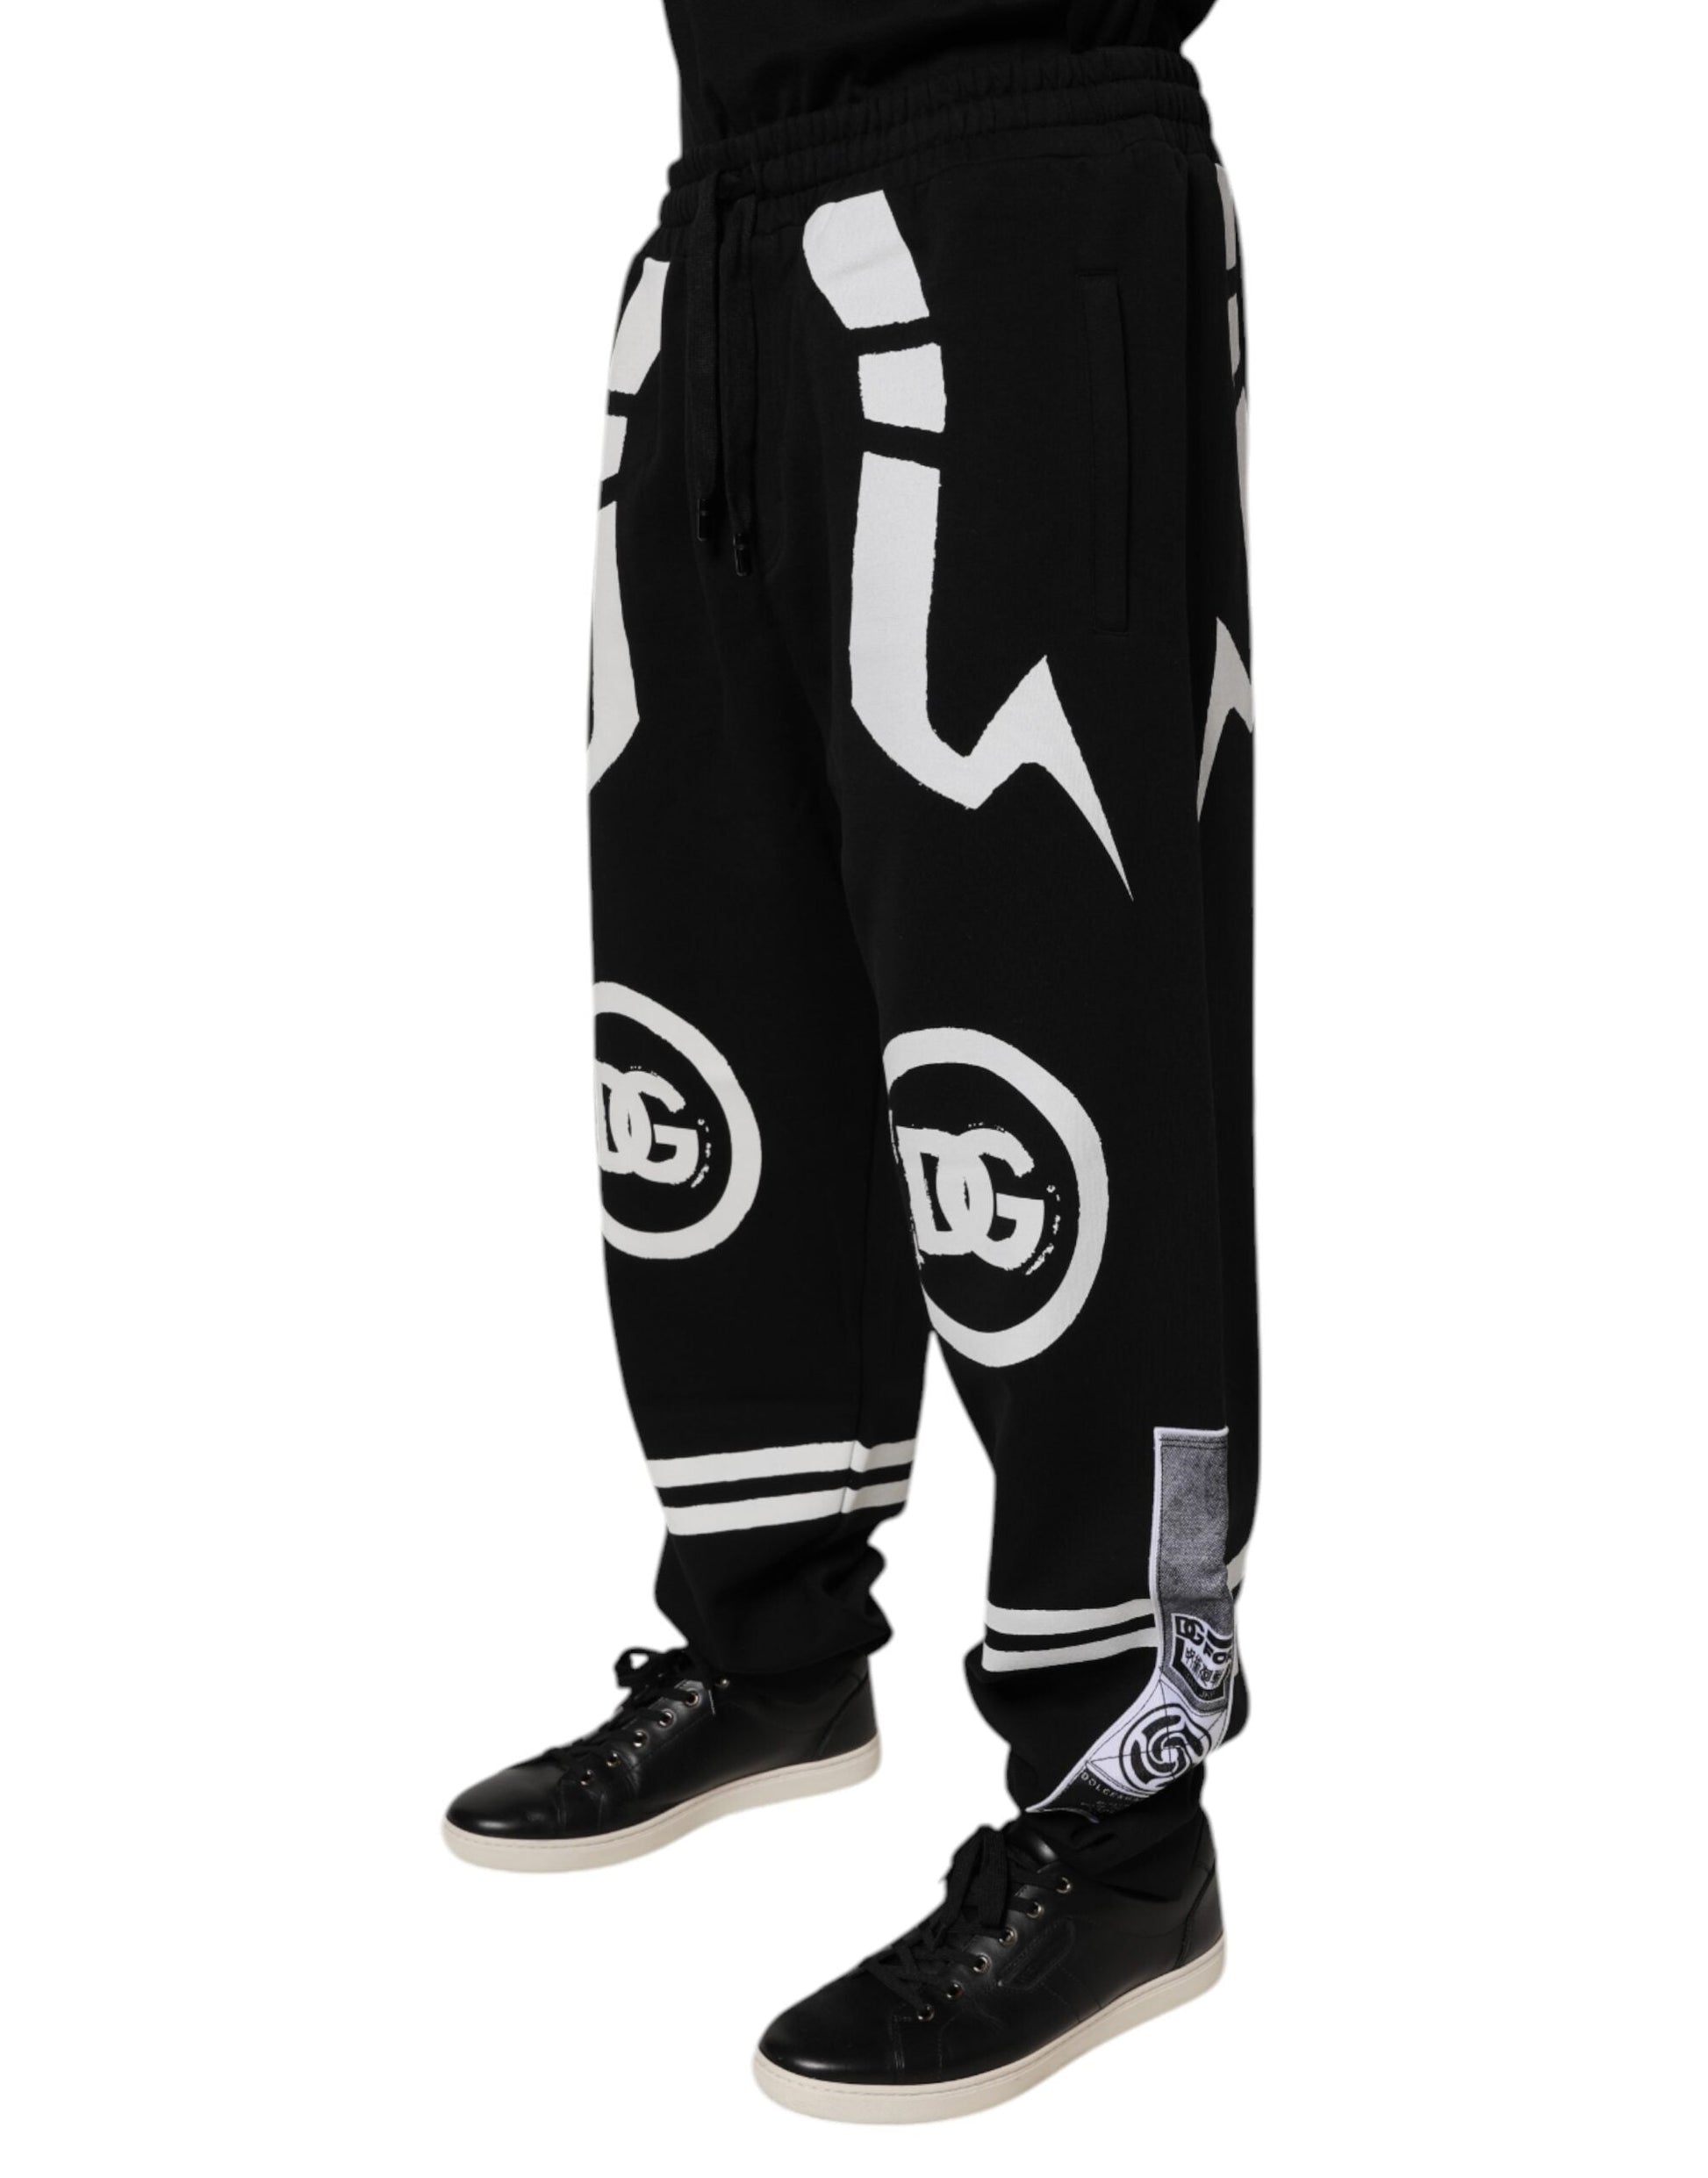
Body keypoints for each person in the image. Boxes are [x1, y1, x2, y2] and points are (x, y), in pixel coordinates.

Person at [445, 0, 1257, 2123]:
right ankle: (772, 1633)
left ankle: (1120, 1816)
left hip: (1026, 170)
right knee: (710, 958)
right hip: (724, 206)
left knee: (1058, 1020)